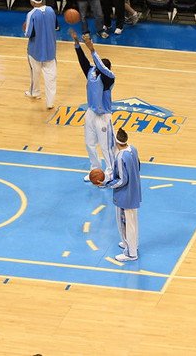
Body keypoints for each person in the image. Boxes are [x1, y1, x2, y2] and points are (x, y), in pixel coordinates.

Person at [70, 30, 116, 183]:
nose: (95, 68)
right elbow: (83, 61)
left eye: (98, 67)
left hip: (103, 116)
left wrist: (92, 48)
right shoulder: (91, 72)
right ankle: (95, 169)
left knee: (106, 146)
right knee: (89, 143)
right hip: (90, 112)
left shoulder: (109, 77)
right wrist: (77, 43)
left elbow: (101, 67)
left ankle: (110, 172)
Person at [98, 127, 141, 262]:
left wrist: (106, 183)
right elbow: (138, 166)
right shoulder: (133, 149)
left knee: (125, 223)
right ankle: (132, 244)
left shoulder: (120, 156)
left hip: (124, 196)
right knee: (132, 222)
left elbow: (122, 180)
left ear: (116, 142)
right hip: (134, 192)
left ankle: (130, 252)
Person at [24, 0, 57, 109]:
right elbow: (56, 26)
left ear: (33, 2)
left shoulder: (31, 14)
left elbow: (28, 33)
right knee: (51, 78)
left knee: (35, 74)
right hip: (50, 50)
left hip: (35, 50)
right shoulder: (51, 10)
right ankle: (50, 102)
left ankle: (35, 93)